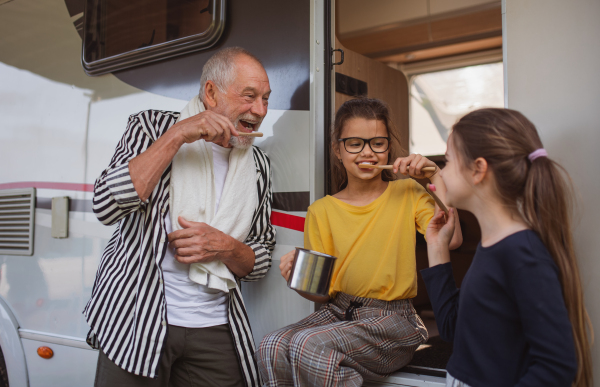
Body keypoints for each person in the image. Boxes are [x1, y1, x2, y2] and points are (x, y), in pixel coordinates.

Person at [84, 47, 275, 387]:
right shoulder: (150, 126)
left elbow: (259, 259)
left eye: (265, 99)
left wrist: (226, 247)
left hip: (216, 327)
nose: (259, 111)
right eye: (249, 97)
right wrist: (177, 135)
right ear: (211, 92)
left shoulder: (258, 165)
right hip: (137, 319)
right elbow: (105, 205)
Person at [257, 98, 463, 386]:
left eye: (377, 143)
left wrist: (434, 174)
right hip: (338, 311)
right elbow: (321, 294)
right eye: (355, 143)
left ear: (388, 147)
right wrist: (298, 278)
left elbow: (452, 239)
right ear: (337, 149)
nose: (367, 152)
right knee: (271, 345)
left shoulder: (407, 192)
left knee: (308, 345)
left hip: (394, 320)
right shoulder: (322, 210)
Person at [422, 108, 592, 387]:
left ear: (478, 169)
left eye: (449, 161)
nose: (442, 172)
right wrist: (437, 248)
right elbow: (453, 328)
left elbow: (557, 366)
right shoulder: (493, 246)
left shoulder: (521, 253)